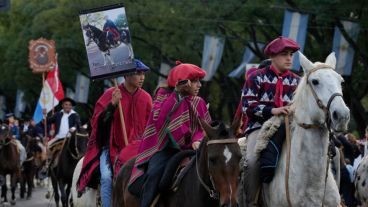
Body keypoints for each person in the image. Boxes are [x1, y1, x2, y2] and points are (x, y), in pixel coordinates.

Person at [128, 61, 212, 207]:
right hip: (165, 149)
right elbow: (159, 120)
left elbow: (203, 128)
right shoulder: (163, 95)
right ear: (182, 82)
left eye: (199, 81)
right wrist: (176, 95)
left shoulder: (199, 102)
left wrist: (197, 139)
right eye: (194, 81)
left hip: (193, 149)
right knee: (154, 175)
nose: (199, 85)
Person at [77, 59, 152, 207]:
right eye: (138, 73)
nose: (142, 77)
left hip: (139, 148)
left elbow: (151, 127)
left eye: (143, 74)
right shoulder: (111, 94)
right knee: (106, 177)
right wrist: (112, 106)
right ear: (126, 75)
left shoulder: (147, 98)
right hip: (112, 147)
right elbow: (98, 126)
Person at [241, 36, 300, 206]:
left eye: (291, 54)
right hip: (260, 127)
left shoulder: (297, 81)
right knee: (252, 162)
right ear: (272, 57)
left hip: (290, 128)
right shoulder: (256, 78)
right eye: (284, 54)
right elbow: (247, 106)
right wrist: (272, 111)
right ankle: (250, 202)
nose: (289, 58)